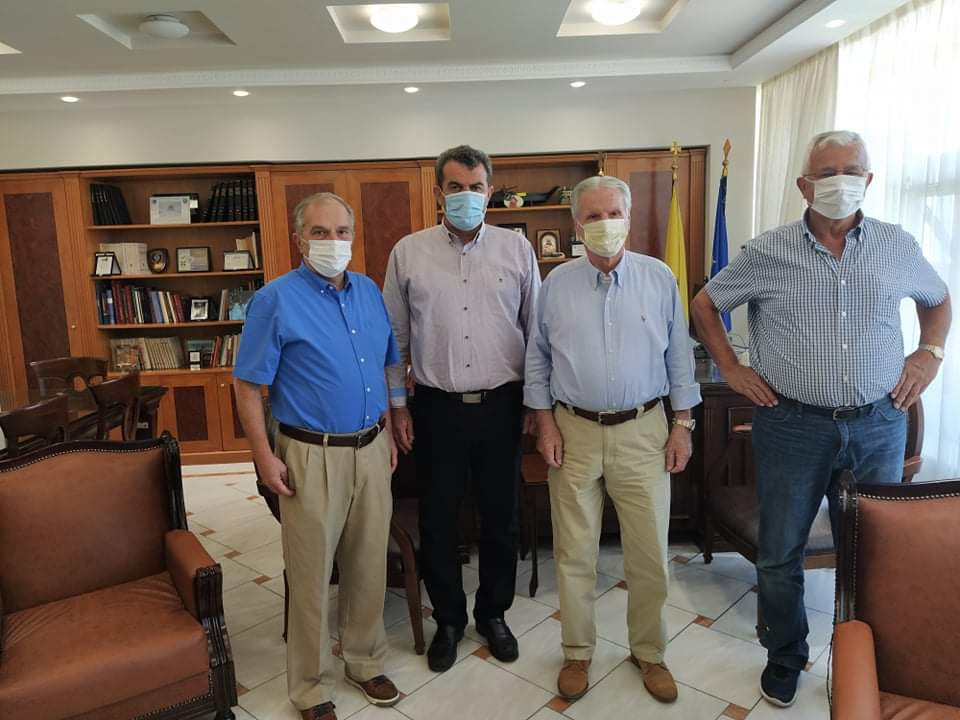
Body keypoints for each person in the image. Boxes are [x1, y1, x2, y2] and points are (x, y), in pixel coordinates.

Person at [691, 130, 951, 708]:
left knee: (876, 551)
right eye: (826, 173)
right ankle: (786, 656)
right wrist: (731, 367)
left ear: (869, 180)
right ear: (804, 185)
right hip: (792, 425)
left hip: (878, 421)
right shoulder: (767, 252)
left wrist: (928, 355)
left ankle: (869, 658)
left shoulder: (896, 245)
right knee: (780, 550)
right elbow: (706, 304)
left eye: (851, 170)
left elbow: (937, 300)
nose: (840, 182)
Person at [525, 175, 701, 704]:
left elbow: (679, 357)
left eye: (613, 214)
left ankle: (650, 652)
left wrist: (682, 425)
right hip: (573, 431)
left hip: (644, 431)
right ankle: (577, 651)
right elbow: (538, 359)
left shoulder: (659, 277)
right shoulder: (555, 284)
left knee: (648, 554)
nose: (605, 224)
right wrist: (544, 423)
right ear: (576, 225)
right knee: (574, 552)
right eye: (593, 217)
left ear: (628, 216)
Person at [234, 192, 402, 720]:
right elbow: (247, 386)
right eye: (320, 232)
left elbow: (386, 363)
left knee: (369, 563)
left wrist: (390, 426)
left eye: (342, 232)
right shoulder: (274, 300)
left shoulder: (369, 292)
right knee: (310, 575)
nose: (333, 241)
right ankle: (309, 686)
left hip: (371, 446)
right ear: (299, 240)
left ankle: (364, 660)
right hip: (310, 454)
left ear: (353, 236)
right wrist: (263, 457)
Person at [382, 145, 540, 672]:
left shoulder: (517, 250)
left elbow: (535, 333)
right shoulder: (408, 253)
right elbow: (394, 340)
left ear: (490, 191)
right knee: (439, 519)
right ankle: (448, 619)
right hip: (437, 408)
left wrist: (535, 403)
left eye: (475, 187)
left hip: (502, 405)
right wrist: (398, 408)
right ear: (438, 193)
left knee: (501, 519)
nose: (466, 196)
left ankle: (493, 614)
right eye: (455, 187)